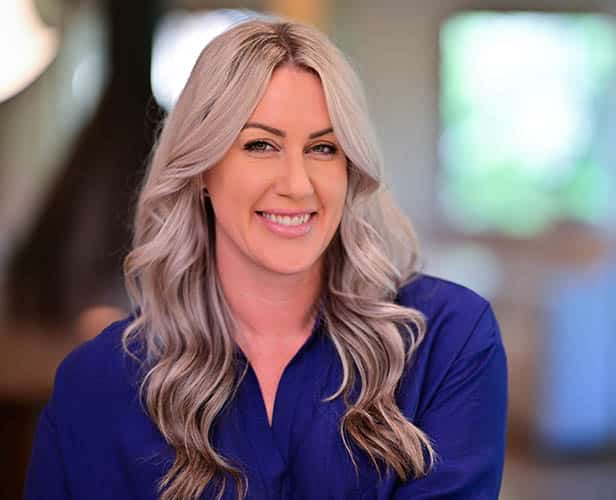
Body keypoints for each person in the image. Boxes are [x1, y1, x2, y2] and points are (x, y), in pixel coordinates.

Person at [24, 17, 507, 500]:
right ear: (200, 170)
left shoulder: (449, 340)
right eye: (261, 145)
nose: (297, 184)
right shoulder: (95, 384)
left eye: (323, 148)